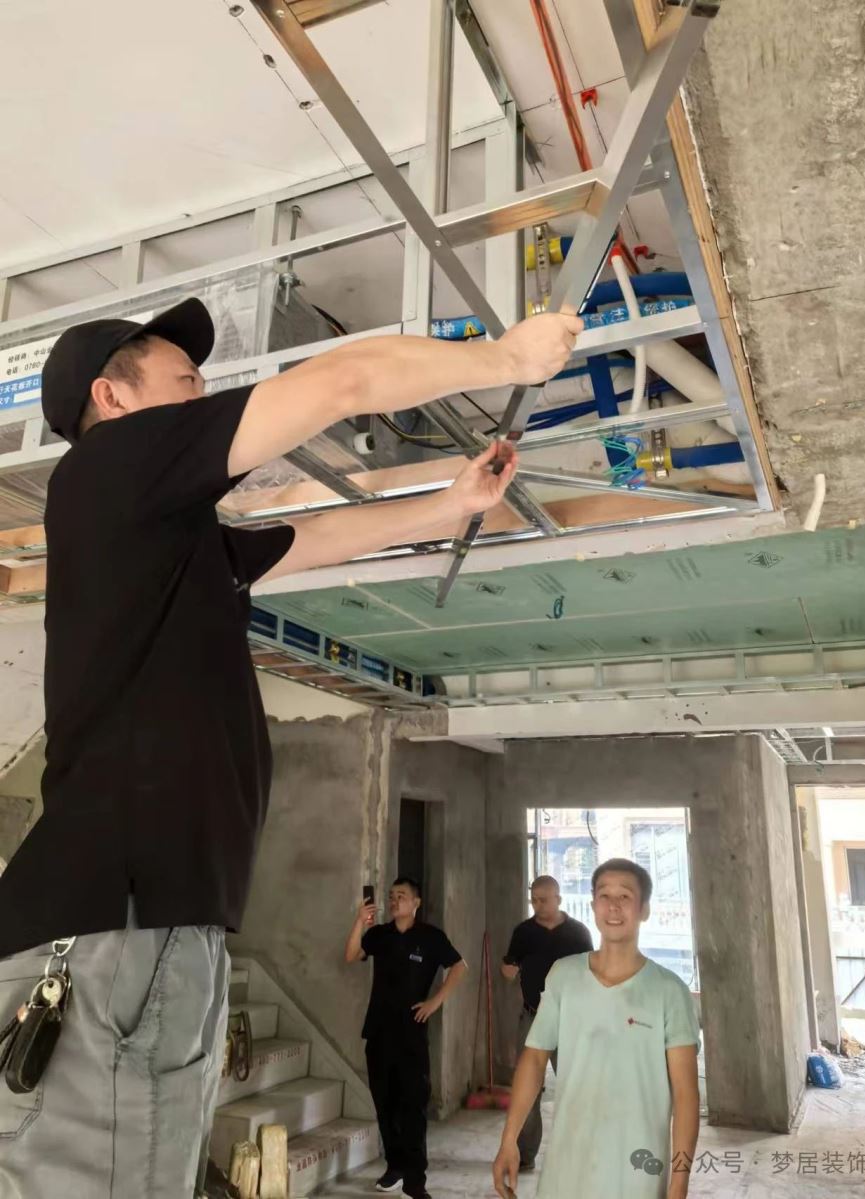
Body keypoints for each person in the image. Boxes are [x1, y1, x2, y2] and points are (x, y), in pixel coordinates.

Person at [0, 298, 581, 1199]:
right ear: (112, 399)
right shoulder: (110, 464)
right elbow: (340, 382)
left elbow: (307, 540)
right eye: (183, 376)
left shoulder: (159, 533)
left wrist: (448, 503)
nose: (202, 392)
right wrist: (505, 360)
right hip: (118, 921)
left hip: (140, 923)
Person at [493, 859, 700, 1199]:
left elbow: (686, 1095)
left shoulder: (669, 991)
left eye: (625, 896)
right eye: (604, 895)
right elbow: (534, 1058)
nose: (613, 905)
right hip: (567, 1169)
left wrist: (679, 1183)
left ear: (644, 909)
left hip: (637, 1174)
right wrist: (509, 1140)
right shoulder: (564, 976)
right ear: (593, 906)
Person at [345, 878, 466, 1199]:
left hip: (411, 1035)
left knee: (412, 1106)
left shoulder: (431, 938)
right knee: (385, 1104)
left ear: (416, 903)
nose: (394, 900)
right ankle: (394, 1167)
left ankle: (415, 1181)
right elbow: (352, 954)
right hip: (378, 1032)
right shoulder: (380, 935)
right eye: (391, 896)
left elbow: (459, 966)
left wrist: (434, 1002)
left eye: (401, 896)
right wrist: (360, 921)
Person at [500, 875, 592, 1170]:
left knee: (574, 1085)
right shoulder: (524, 932)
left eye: (544, 900)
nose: (538, 905)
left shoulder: (578, 933)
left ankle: (578, 1153)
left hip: (570, 1020)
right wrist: (508, 969)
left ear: (559, 899)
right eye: (534, 900)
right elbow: (509, 967)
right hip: (533, 1018)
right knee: (527, 1088)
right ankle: (525, 1155)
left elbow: (591, 973)